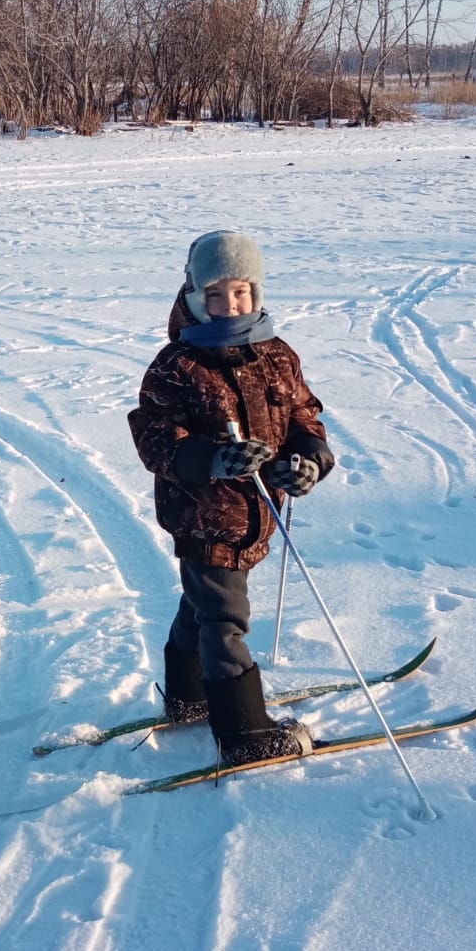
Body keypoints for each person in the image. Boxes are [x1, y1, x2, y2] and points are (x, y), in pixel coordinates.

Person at [128, 230, 335, 766]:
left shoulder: (277, 356)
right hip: (202, 515)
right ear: (195, 297)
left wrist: (307, 460)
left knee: (200, 606)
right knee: (224, 617)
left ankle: (189, 696)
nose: (229, 304)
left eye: (240, 291)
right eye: (215, 294)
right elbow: (155, 440)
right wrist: (213, 460)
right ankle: (242, 732)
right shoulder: (177, 366)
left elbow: (302, 418)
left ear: (256, 292)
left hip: (258, 513)